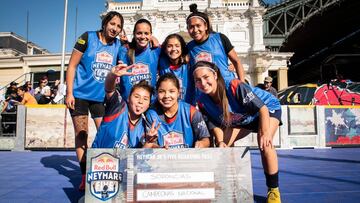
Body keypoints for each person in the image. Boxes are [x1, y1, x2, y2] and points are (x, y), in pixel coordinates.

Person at [192, 61, 282, 203]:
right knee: (223, 150)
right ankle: (230, 186)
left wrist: (265, 133)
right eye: (198, 80)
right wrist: (221, 141)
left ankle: (273, 190)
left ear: (215, 75)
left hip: (266, 108)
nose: (203, 83)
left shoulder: (234, 85)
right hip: (242, 119)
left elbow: (262, 109)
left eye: (206, 77)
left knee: (265, 145)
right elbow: (214, 124)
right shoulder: (202, 100)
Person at [65, 11, 124, 191]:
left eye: (119, 26)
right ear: (105, 23)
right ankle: (84, 175)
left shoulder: (118, 45)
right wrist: (69, 93)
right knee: (82, 135)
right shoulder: (87, 37)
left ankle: (106, 172)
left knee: (105, 136)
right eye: (112, 24)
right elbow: (72, 66)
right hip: (80, 96)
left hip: (100, 98)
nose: (115, 28)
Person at [92, 63, 152, 148]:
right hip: (100, 158)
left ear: (149, 104)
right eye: (136, 97)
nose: (140, 101)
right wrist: (112, 75)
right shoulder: (118, 106)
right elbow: (109, 89)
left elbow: (141, 156)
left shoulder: (145, 127)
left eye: (145, 99)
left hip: (126, 161)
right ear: (128, 98)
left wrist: (150, 143)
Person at [143, 73, 210, 148]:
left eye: (171, 91)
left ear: (178, 92)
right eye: (161, 91)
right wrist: (159, 149)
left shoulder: (191, 112)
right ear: (157, 93)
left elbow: (205, 139)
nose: (166, 96)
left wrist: (201, 144)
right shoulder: (151, 115)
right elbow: (151, 145)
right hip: (163, 158)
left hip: (188, 158)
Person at [186, 4, 246, 85]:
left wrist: (242, 85)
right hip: (205, 91)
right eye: (191, 27)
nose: (195, 30)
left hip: (226, 87)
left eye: (198, 25)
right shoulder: (189, 47)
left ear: (206, 26)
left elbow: (236, 62)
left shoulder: (220, 38)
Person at [117, 19, 161, 101]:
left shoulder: (156, 50)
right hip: (128, 104)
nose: (143, 36)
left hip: (150, 104)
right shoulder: (123, 50)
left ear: (151, 35)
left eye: (146, 33)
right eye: (139, 33)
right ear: (134, 34)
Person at [158, 33, 195, 104]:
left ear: (182, 48)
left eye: (177, 46)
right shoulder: (162, 62)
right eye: (169, 46)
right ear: (165, 49)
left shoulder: (189, 63)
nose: (174, 49)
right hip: (168, 106)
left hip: (188, 106)